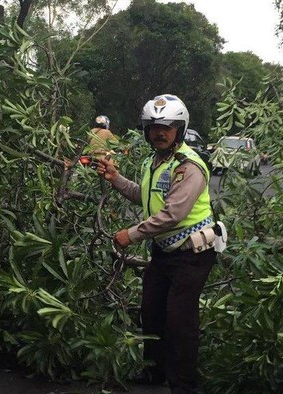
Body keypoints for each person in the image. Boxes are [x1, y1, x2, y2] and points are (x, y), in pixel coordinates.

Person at [97, 94, 216, 393]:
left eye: (167, 127)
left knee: (180, 322)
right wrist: (116, 179)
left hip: (192, 255)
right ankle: (154, 374)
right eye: (153, 127)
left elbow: (173, 214)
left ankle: (183, 386)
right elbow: (145, 196)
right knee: (151, 313)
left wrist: (132, 234)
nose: (159, 133)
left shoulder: (189, 166)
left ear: (180, 129)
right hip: (164, 253)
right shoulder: (155, 162)